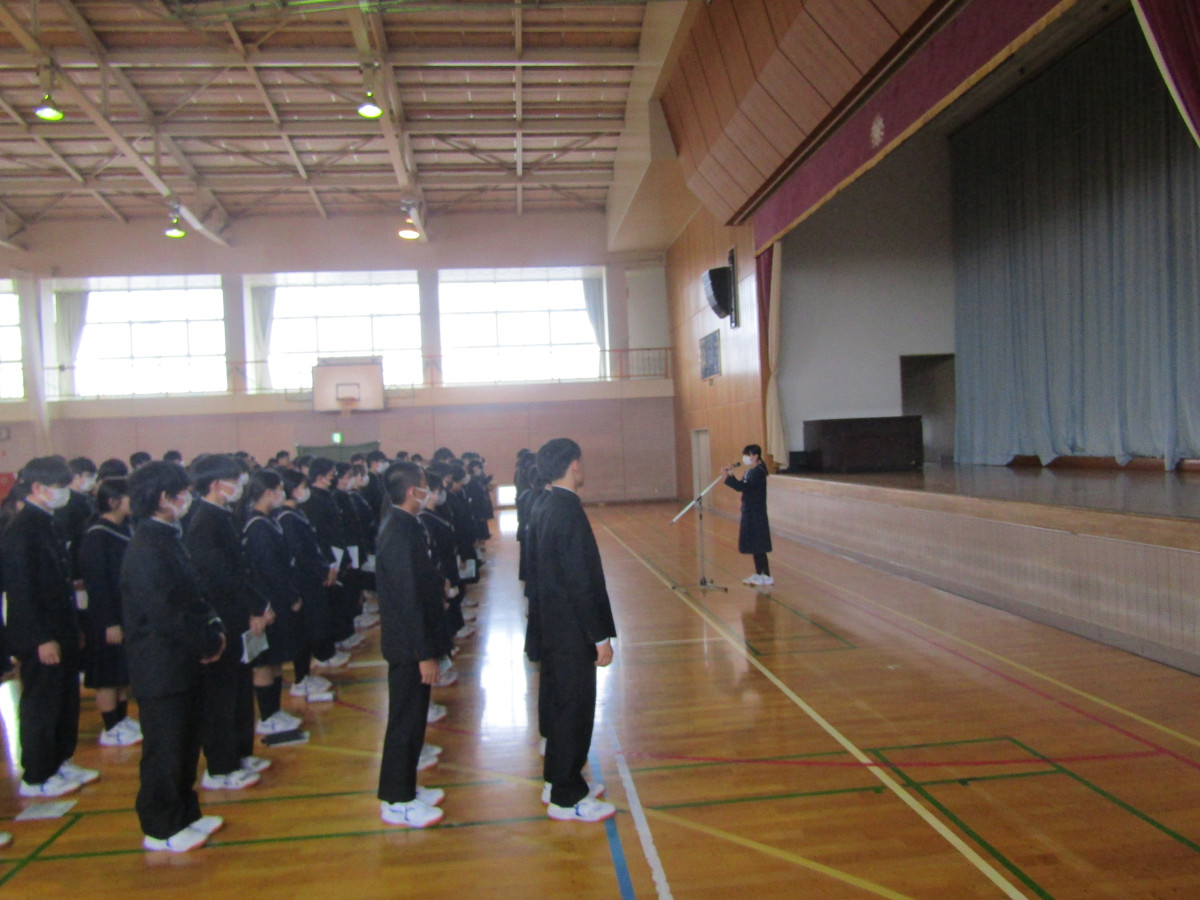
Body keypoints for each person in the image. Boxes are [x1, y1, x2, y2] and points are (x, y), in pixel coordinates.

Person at [121, 461, 226, 852]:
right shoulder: (146, 547)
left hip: (183, 660)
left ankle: (185, 814)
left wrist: (213, 628)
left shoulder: (168, 536)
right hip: (161, 664)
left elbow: (193, 593)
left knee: (185, 743)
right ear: (163, 498)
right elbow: (165, 612)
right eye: (181, 493)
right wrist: (204, 643)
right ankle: (161, 826)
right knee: (165, 747)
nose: (187, 499)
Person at [533, 438, 616, 823]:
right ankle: (567, 798)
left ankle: (556, 780)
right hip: (571, 631)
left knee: (560, 707)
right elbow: (580, 580)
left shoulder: (547, 504)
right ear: (573, 465)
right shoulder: (566, 510)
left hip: (554, 627)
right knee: (573, 711)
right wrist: (599, 636)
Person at [2, 457, 95, 797]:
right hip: (40, 635)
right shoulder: (21, 530)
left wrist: (72, 629)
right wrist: (41, 638)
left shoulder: (47, 523)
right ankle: (38, 774)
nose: (65, 493)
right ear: (38, 488)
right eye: (59, 487)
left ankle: (60, 760)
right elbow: (22, 591)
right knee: (42, 703)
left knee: (65, 700)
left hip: (61, 628)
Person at [185, 454, 277, 790]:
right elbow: (220, 577)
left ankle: (240, 752)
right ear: (215, 484)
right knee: (221, 696)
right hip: (222, 618)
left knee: (239, 689)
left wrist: (256, 606)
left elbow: (240, 569)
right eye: (234, 480)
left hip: (238, 616)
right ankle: (220, 767)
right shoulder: (203, 522)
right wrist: (256, 606)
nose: (240, 486)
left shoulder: (223, 515)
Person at [375, 461, 445, 828]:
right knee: (404, 721)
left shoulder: (406, 524)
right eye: (422, 486)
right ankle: (396, 800)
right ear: (409, 491)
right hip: (407, 648)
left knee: (415, 719)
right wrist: (423, 654)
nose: (427, 491)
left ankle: (406, 787)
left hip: (413, 644)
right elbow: (408, 599)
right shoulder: (398, 531)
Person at [240, 470, 308, 726]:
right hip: (270, 602)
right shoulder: (257, 526)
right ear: (268, 492)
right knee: (265, 663)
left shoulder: (269, 520)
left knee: (277, 658)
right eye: (279, 489)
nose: (282, 494)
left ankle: (275, 711)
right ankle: (267, 716)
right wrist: (288, 597)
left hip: (278, 600)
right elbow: (269, 570)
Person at [78, 477, 141, 746]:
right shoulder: (97, 535)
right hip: (106, 617)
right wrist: (109, 622)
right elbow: (97, 583)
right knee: (106, 675)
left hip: (124, 611)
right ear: (113, 501)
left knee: (121, 672)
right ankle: (110, 726)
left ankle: (122, 718)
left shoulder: (125, 528)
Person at [721, 444, 773, 586]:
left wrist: (728, 478)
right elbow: (742, 485)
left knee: (759, 545)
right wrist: (730, 476)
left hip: (757, 513)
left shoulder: (759, 472)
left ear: (755, 456)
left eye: (748, 455)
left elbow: (744, 487)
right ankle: (759, 573)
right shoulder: (750, 472)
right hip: (749, 511)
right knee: (754, 545)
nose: (745, 458)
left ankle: (766, 575)